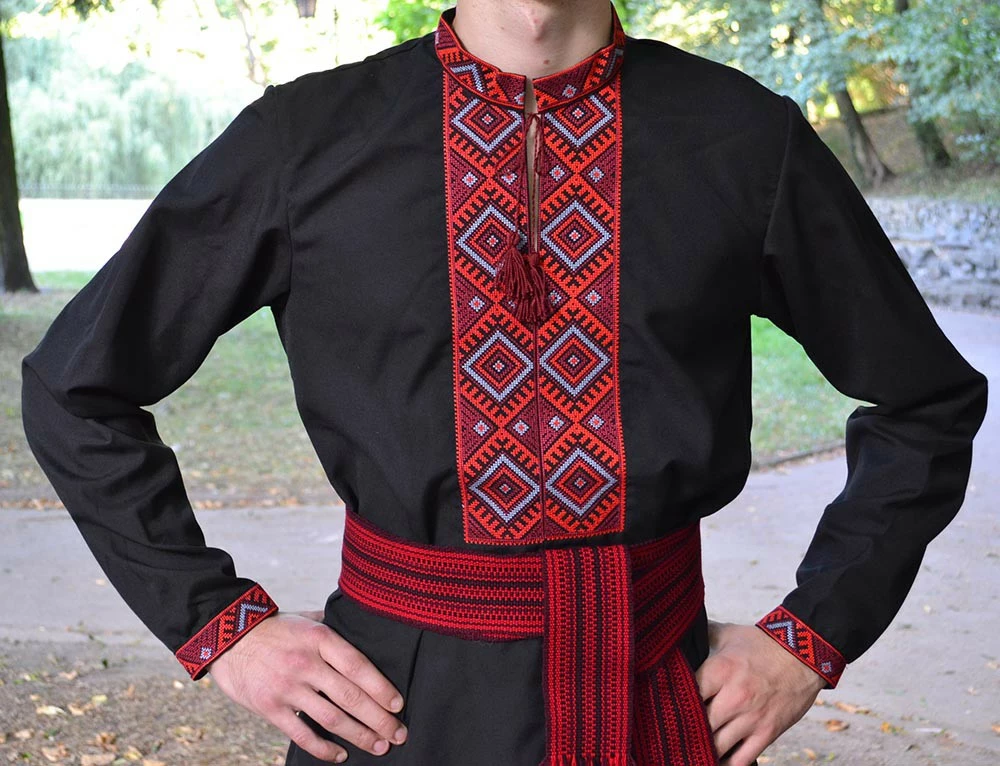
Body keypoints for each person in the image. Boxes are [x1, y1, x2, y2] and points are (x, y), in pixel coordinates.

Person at [19, 0, 988, 764]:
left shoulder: (742, 138)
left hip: (656, 700)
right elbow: (75, 388)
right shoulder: (303, 141)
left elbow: (927, 400)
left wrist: (810, 634)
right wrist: (219, 628)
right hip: (395, 716)